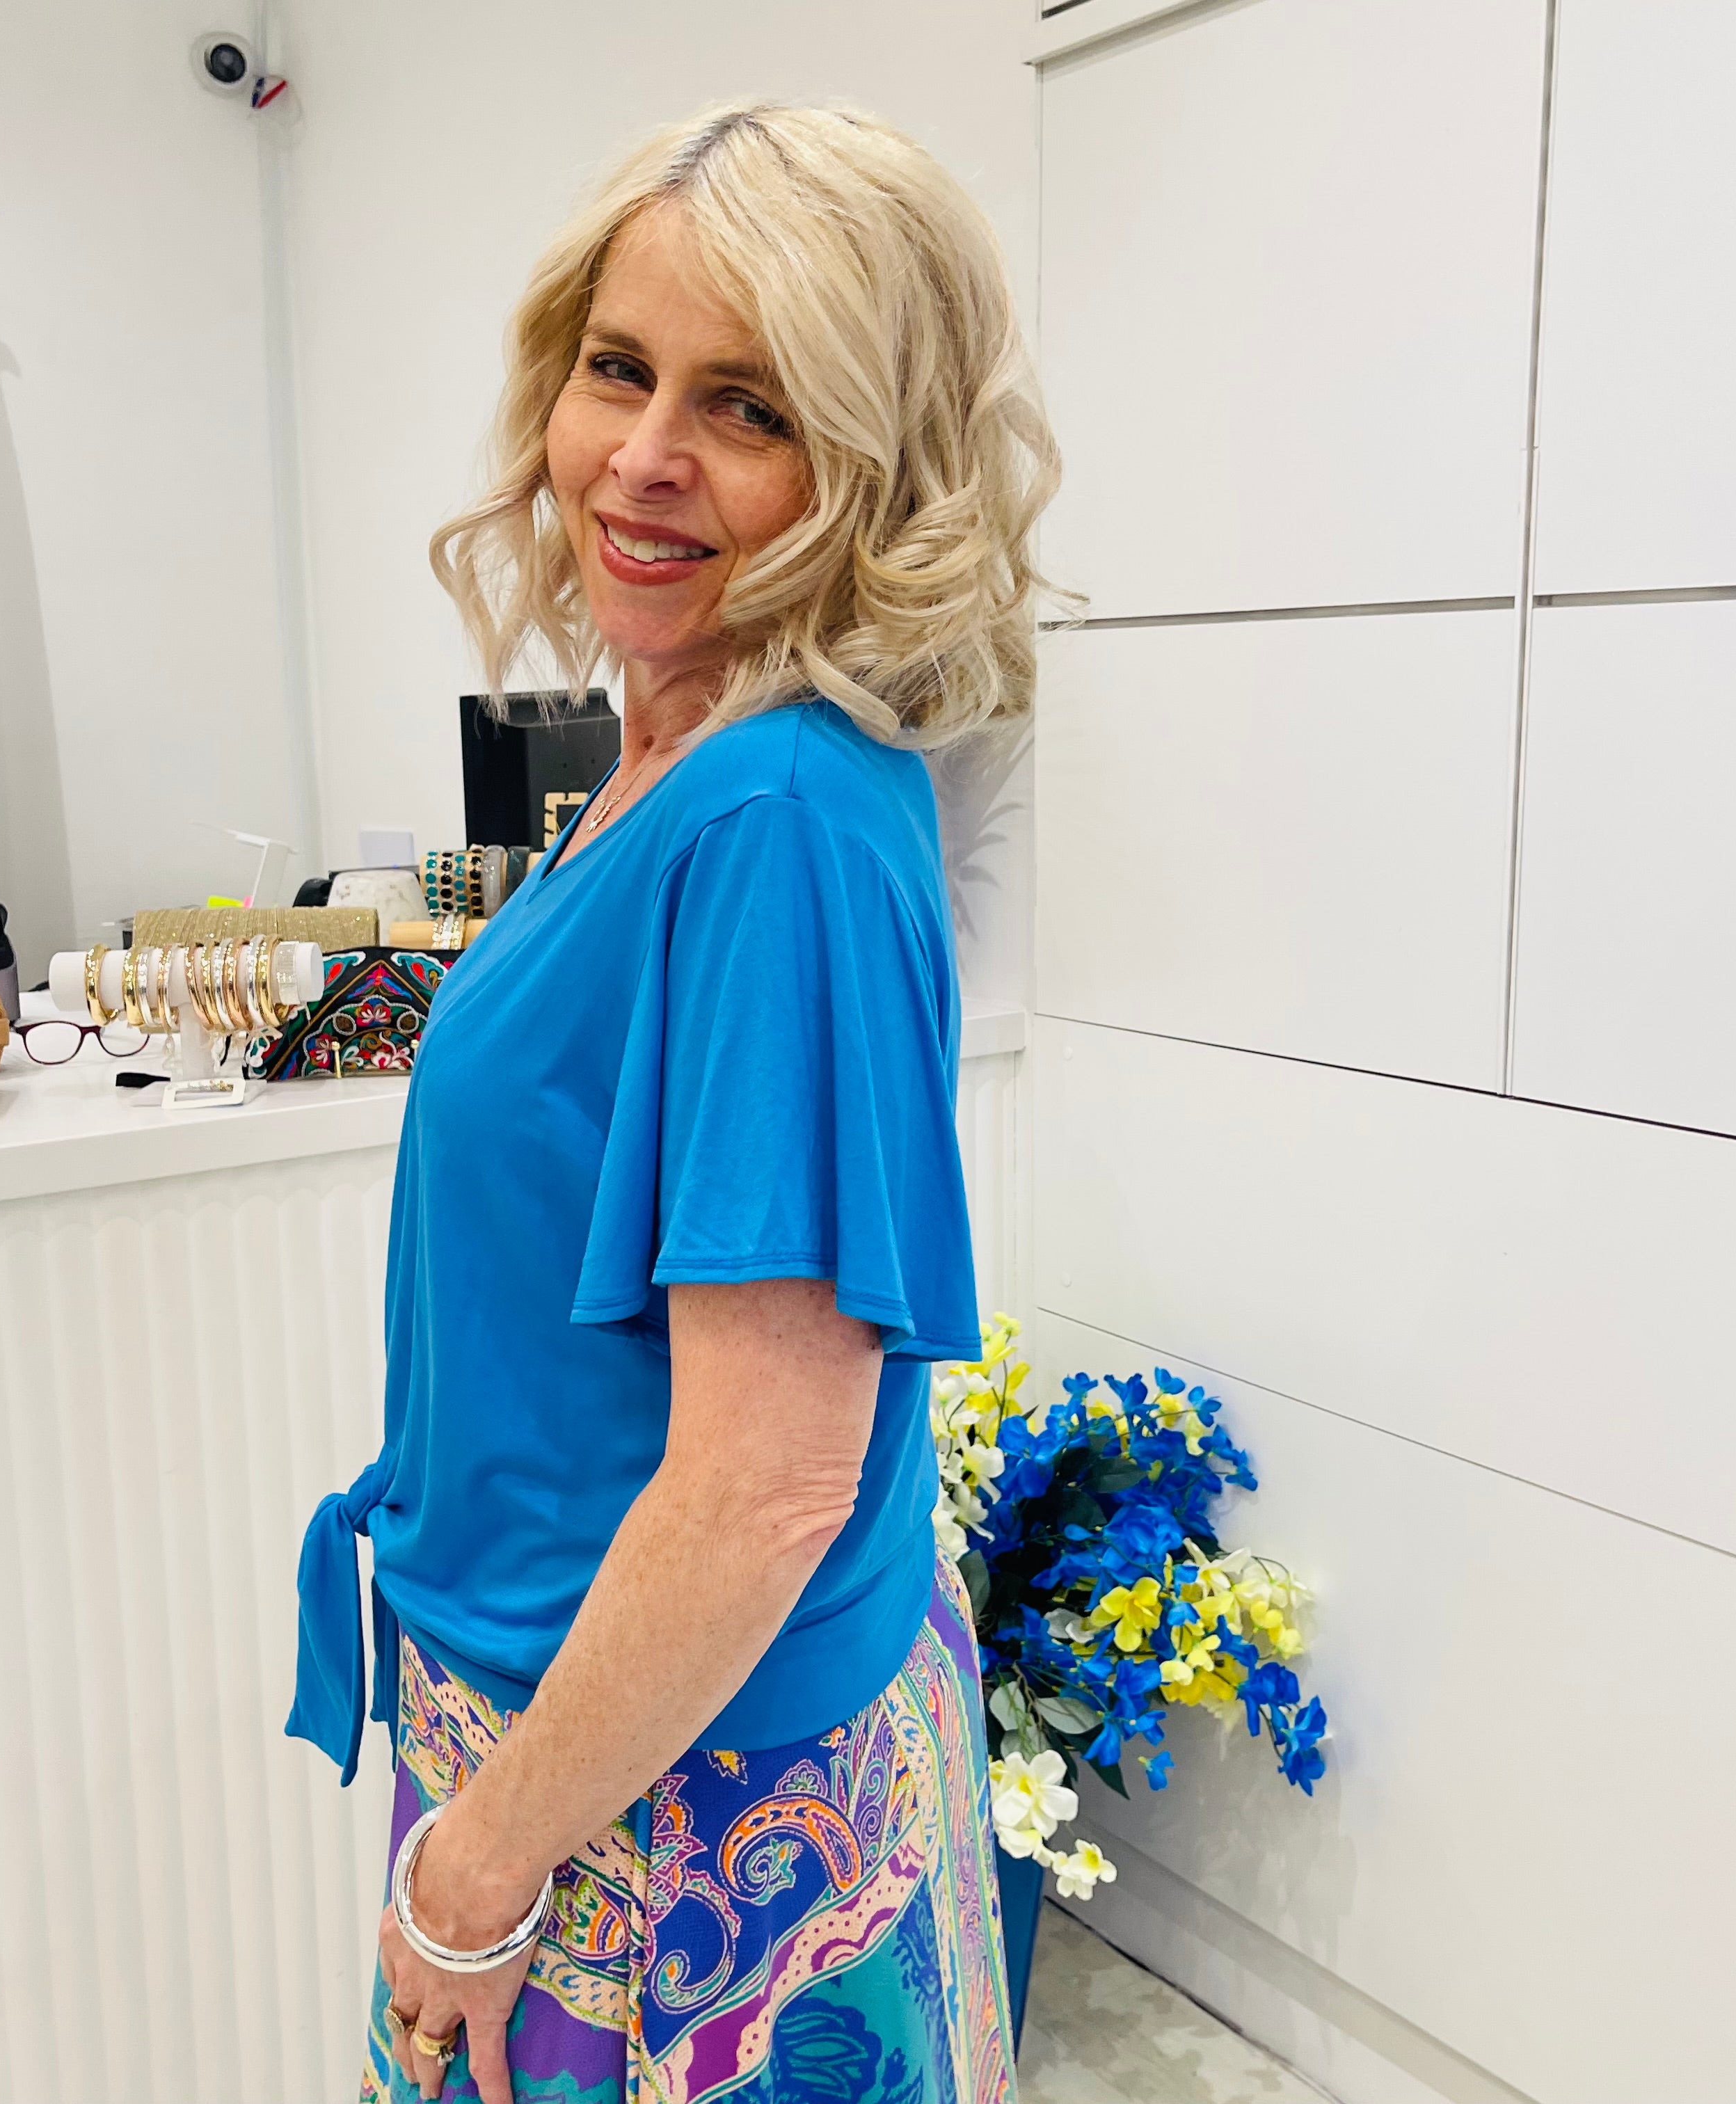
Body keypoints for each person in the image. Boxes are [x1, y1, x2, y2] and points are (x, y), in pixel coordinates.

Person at [287, 100, 1062, 2104]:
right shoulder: (681, 754)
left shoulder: (779, 816)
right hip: (632, 1755)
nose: (642, 457)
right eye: (618, 369)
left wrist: (482, 1858)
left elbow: (762, 1486)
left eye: (749, 406)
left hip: (661, 1815)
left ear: (868, 475)